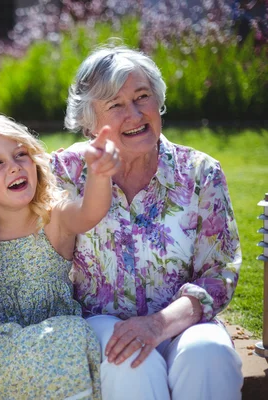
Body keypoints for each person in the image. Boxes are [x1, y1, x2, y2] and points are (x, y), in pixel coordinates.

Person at [51, 45, 243, 400]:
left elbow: (219, 272)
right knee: (129, 360)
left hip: (181, 320)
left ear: (159, 101)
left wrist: (160, 324)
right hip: (103, 323)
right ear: (89, 122)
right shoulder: (66, 171)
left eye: (143, 97)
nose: (135, 114)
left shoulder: (200, 172)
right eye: (115, 105)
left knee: (209, 354)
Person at [0, 115, 121, 399]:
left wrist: (99, 174)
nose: (14, 167)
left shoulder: (52, 216)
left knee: (69, 337)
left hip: (54, 333)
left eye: (21, 154)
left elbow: (89, 213)